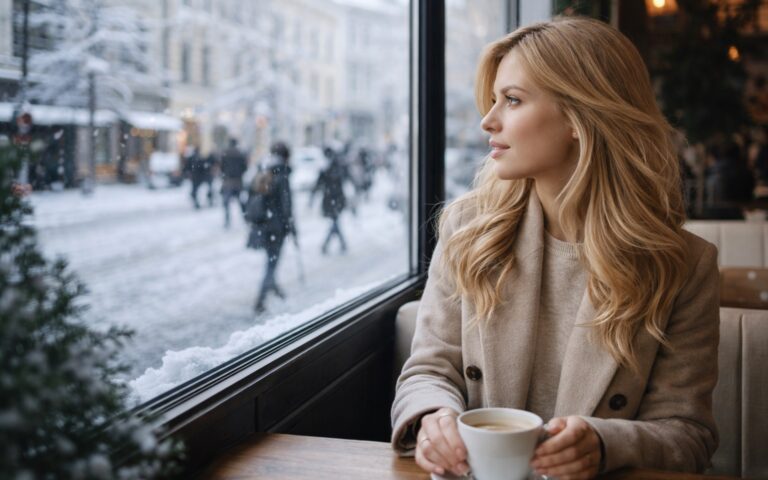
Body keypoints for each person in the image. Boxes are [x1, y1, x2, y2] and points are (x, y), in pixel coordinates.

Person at [391, 17, 720, 480]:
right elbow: (428, 370)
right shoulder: (468, 230)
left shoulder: (683, 266)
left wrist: (605, 444)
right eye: (493, 99)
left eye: (512, 100)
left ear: (580, 117)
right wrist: (433, 420)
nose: (488, 120)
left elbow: (689, 434)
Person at [246, 141, 296, 314]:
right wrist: (290, 226)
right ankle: (260, 300)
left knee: (271, 260)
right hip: (276, 227)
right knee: (271, 263)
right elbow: (286, 205)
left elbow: (250, 196)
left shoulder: (262, 170)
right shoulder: (281, 174)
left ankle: (275, 288)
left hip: (262, 225)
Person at [311, 147, 352, 254]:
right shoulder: (336, 166)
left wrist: (312, 197)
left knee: (335, 221)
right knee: (335, 221)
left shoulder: (328, 167)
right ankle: (339, 244)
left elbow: (318, 185)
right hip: (335, 199)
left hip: (332, 199)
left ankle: (329, 244)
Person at [220, 138, 248, 227]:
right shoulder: (240, 154)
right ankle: (245, 218)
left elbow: (222, 166)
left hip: (228, 180)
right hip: (238, 181)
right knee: (241, 201)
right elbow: (244, 167)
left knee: (226, 202)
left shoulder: (225, 153)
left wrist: (225, 174)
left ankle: (227, 220)